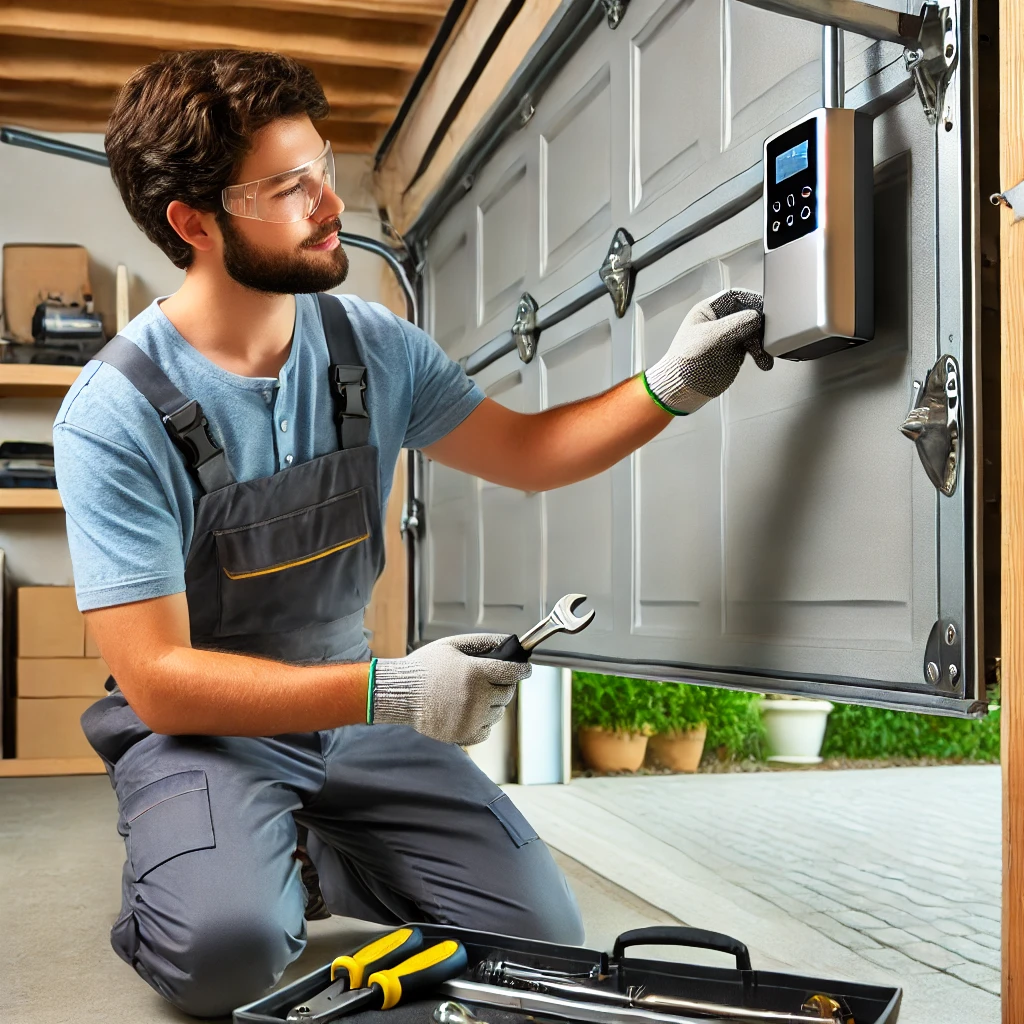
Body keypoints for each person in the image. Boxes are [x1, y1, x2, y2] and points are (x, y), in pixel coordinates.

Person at [54, 49, 772, 1019]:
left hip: (349, 717)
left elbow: (526, 450)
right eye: (285, 186)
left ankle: (311, 856)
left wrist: (671, 384)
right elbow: (158, 678)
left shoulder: (370, 344)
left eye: (321, 169)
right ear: (194, 223)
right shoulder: (116, 412)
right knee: (225, 957)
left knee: (540, 940)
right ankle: (202, 864)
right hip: (204, 735)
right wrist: (396, 688)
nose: (324, 204)